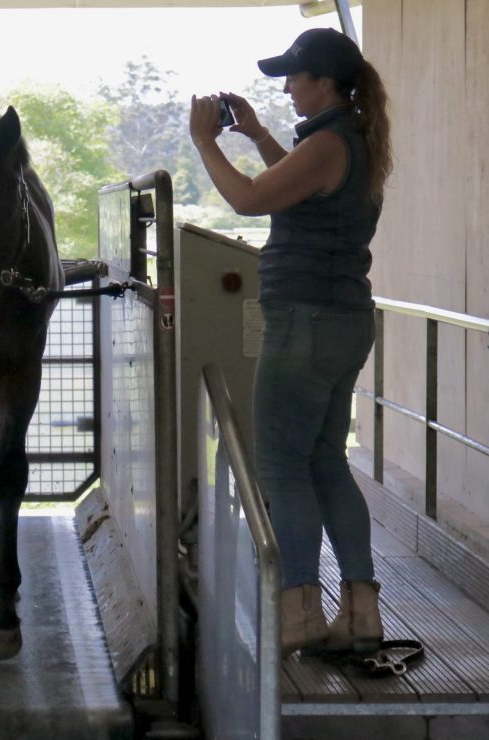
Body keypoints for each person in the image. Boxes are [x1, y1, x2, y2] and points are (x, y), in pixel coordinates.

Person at [188, 27, 393, 658]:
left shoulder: (330, 141)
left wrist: (204, 142)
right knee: (327, 460)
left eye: (293, 77)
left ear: (324, 82)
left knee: (281, 464)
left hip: (303, 322)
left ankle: (298, 611)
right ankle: (360, 612)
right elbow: (296, 186)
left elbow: (251, 199)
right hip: (341, 320)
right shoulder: (350, 140)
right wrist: (254, 134)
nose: (284, 88)